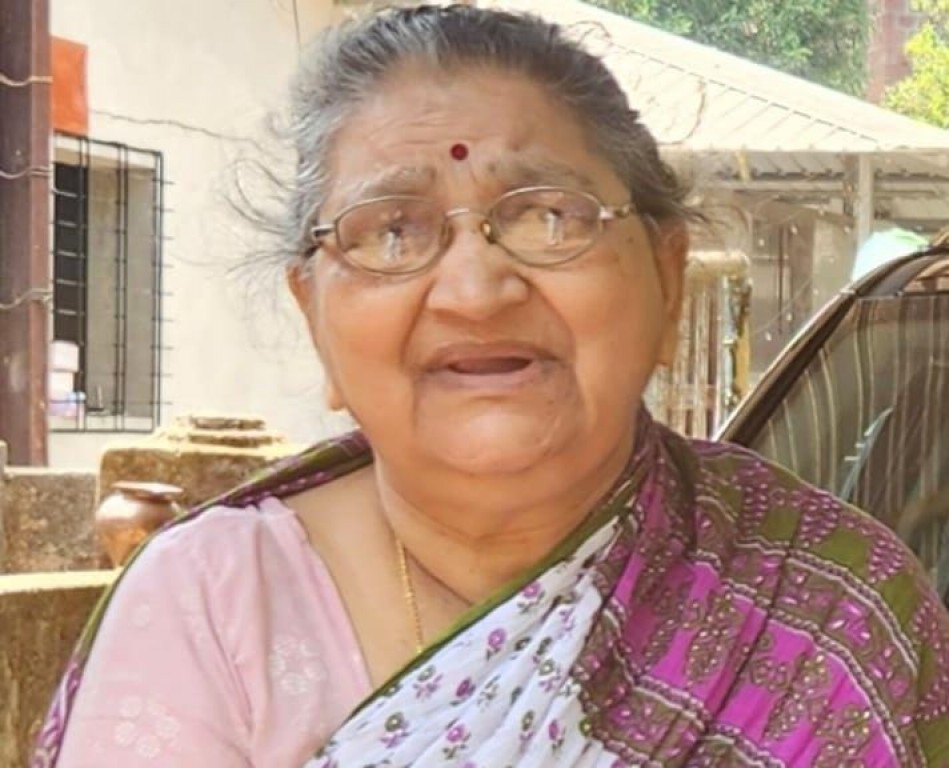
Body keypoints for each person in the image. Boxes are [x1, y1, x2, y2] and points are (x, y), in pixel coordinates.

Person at [35, 5, 949, 767]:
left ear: (665, 282)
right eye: (393, 231)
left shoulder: (830, 611)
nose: (474, 291)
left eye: (549, 217)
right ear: (313, 315)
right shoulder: (212, 606)